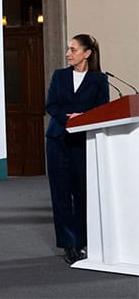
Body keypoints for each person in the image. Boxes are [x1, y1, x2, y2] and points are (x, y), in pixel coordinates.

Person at [45, 34, 109, 265]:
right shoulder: (59, 76)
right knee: (60, 194)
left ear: (87, 53)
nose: (68, 53)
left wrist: (84, 118)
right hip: (57, 139)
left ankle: (83, 241)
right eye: (68, 49)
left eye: (73, 49)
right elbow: (51, 104)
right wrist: (68, 118)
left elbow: (103, 110)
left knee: (82, 193)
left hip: (83, 142)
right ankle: (69, 244)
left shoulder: (99, 80)